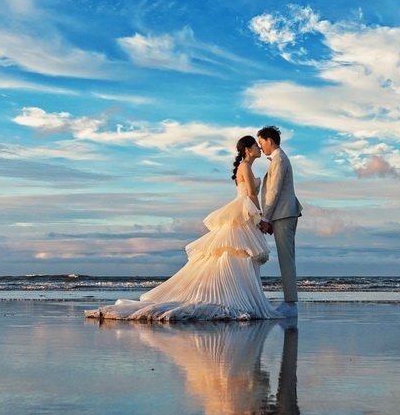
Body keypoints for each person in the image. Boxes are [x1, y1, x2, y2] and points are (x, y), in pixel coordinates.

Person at [85, 134, 283, 323]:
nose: (259, 148)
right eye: (256, 145)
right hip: (244, 210)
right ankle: (236, 296)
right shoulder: (245, 167)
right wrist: (260, 217)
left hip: (241, 211)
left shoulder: (245, 166)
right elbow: (250, 194)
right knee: (237, 254)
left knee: (238, 255)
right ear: (248, 150)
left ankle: (239, 295)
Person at [254, 124, 303, 319]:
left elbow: (273, 192)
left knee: (286, 258)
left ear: (269, 140)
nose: (261, 147)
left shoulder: (280, 160)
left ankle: (290, 303)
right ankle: (289, 302)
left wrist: (266, 218)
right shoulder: (277, 160)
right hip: (282, 214)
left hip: (284, 214)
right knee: (285, 257)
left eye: (261, 143)